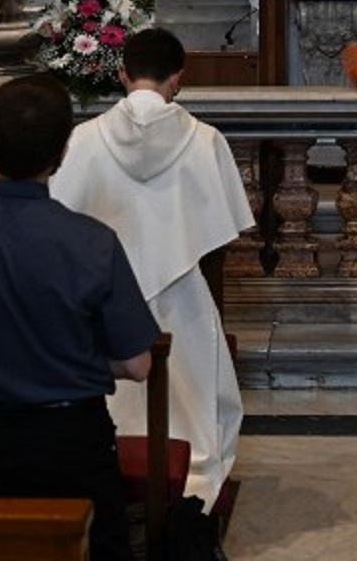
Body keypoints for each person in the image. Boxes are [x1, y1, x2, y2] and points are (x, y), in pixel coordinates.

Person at [0, 75, 161, 561]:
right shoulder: (90, 241)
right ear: (61, 153)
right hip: (73, 444)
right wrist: (63, 365)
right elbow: (138, 364)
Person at [50, 27, 255, 522]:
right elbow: (226, 234)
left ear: (122, 73)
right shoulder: (205, 141)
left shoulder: (84, 138)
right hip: (180, 293)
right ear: (178, 78)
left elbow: (59, 216)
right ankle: (191, 456)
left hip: (101, 296)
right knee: (195, 393)